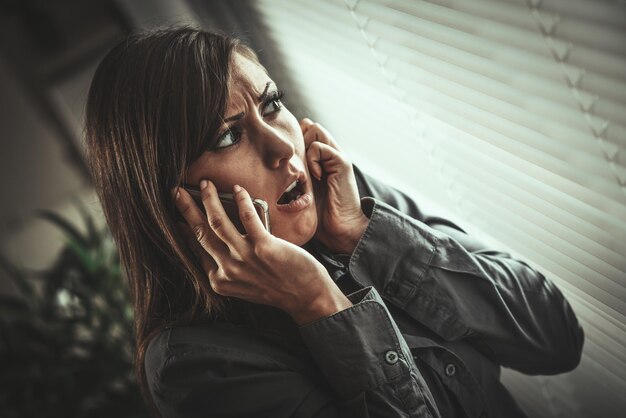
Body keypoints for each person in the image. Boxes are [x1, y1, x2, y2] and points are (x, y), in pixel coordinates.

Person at [84, 27, 584, 418]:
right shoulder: (194, 369)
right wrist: (319, 306)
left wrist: (364, 236)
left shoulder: (342, 195)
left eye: (271, 105)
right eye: (225, 137)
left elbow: (557, 339)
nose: (283, 147)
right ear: (173, 197)